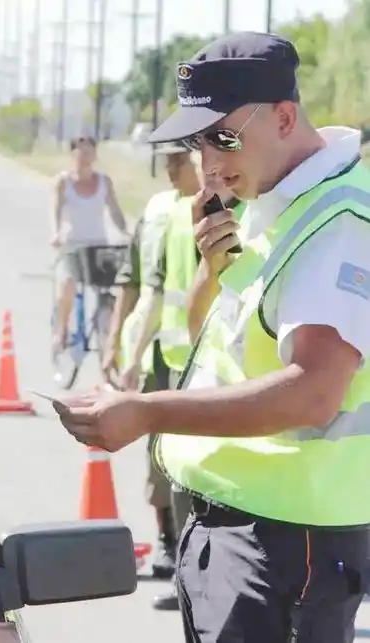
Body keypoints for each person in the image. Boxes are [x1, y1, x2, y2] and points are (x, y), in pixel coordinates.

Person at [52, 31, 370, 642]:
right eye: (197, 144)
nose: (210, 165)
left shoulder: (338, 223)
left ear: (283, 117)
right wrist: (212, 273)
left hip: (286, 545)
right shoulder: (271, 205)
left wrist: (146, 412)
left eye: (223, 138)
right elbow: (221, 352)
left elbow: (313, 394)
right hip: (246, 535)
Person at [148, 150, 246, 612]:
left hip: (244, 385)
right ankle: (191, 579)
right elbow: (192, 310)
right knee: (184, 476)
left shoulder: (270, 214)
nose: (209, 171)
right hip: (190, 363)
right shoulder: (187, 217)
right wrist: (208, 266)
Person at [102, 144, 197, 582]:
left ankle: (191, 548)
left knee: (191, 459)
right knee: (159, 454)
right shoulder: (162, 211)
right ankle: (168, 541)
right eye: (168, 160)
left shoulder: (225, 209)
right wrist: (117, 346)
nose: (171, 167)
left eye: (180, 157)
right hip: (161, 354)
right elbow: (136, 282)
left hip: (197, 361)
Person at [51, 136, 128, 363]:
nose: (84, 157)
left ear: (95, 155)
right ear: (72, 155)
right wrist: (56, 232)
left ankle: (108, 335)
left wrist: (126, 231)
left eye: (89, 152)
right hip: (72, 245)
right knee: (67, 284)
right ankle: (62, 330)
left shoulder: (104, 181)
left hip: (99, 245)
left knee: (115, 288)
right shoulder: (63, 182)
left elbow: (115, 210)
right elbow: (55, 209)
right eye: (80, 152)